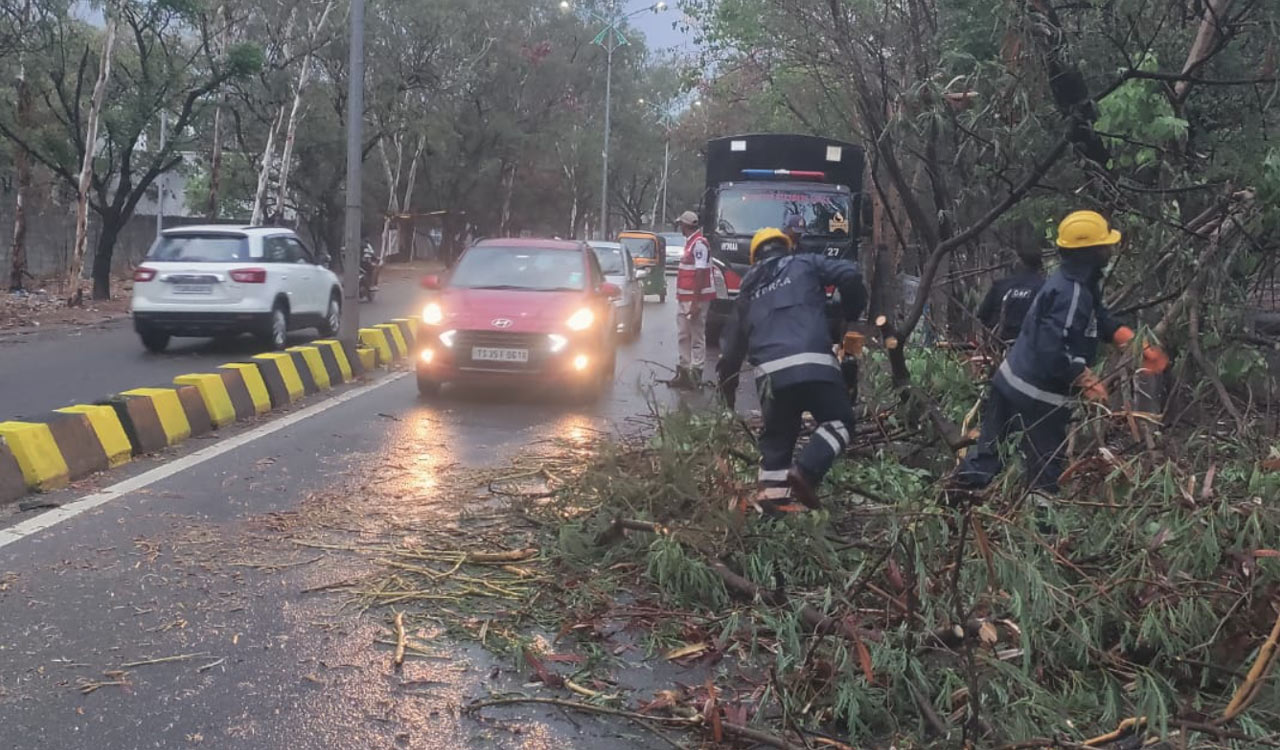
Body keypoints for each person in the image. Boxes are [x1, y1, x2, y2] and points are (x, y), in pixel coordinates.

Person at [951, 211, 1168, 499]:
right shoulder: (1072, 292)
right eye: (1104, 245)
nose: (1110, 250)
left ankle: (947, 503)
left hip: (1009, 382)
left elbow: (1095, 317)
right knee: (1045, 473)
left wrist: (1129, 340)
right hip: (1037, 397)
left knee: (987, 459)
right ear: (1090, 253)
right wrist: (1083, 377)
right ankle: (1044, 535)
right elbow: (1054, 347)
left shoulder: (1071, 282)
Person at [716, 227, 867, 515]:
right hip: (814, 363)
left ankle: (771, 518)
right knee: (840, 422)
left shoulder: (748, 288)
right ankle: (806, 472)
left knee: (776, 445)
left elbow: (731, 351)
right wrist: (850, 312)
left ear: (754, 258)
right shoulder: (805, 263)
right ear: (786, 247)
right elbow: (850, 274)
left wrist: (727, 399)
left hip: (771, 378)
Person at [672, 210, 714, 389]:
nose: (679, 227)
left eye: (681, 224)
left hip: (695, 299)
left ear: (686, 225)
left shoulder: (699, 245)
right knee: (683, 334)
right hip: (685, 298)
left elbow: (700, 272)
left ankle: (696, 373)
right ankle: (684, 371)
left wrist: (696, 302)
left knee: (696, 335)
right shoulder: (690, 243)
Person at [976, 249, 1045, 344]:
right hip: (1033, 347)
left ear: (1019, 262)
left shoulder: (1000, 285)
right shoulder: (1046, 288)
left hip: (1000, 346)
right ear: (1040, 264)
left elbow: (983, 315)